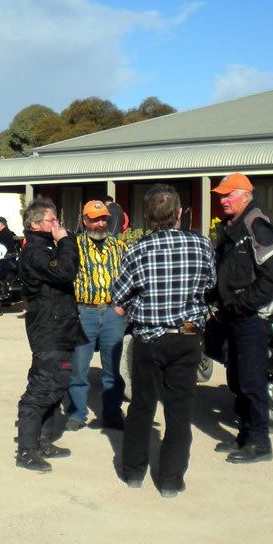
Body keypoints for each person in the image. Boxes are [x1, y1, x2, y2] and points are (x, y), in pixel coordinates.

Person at [110, 186, 215, 497]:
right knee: (179, 411)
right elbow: (211, 283)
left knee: (142, 407)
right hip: (185, 333)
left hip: (149, 335)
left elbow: (119, 294)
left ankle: (133, 473)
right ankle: (170, 480)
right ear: (179, 214)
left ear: (146, 217)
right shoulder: (201, 245)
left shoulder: (137, 250)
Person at [209, 172, 273, 464]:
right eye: (221, 195)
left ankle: (260, 443)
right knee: (238, 379)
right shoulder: (230, 227)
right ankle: (244, 436)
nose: (223, 200)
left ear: (246, 196)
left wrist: (243, 305)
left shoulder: (257, 225)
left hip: (250, 317)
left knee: (252, 380)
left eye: (229, 195)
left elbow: (271, 277)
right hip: (232, 316)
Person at [14, 198, 86, 472]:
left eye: (57, 220)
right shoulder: (35, 251)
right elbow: (65, 271)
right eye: (52, 221)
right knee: (42, 386)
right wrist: (66, 242)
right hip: (48, 328)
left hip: (61, 325)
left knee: (57, 384)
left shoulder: (46, 247)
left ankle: (44, 441)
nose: (57, 225)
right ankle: (26, 450)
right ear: (34, 224)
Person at [67, 200, 129, 431]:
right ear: (85, 221)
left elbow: (129, 277)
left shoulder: (119, 247)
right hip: (85, 313)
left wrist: (123, 306)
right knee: (79, 369)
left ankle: (113, 414)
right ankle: (77, 413)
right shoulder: (73, 246)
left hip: (113, 313)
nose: (100, 223)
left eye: (103, 218)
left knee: (112, 369)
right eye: (94, 219)